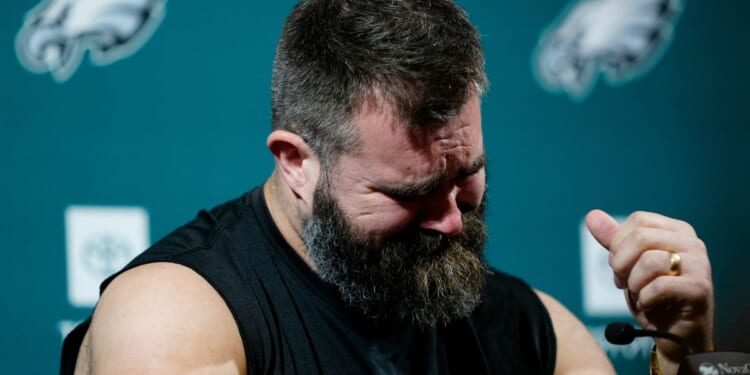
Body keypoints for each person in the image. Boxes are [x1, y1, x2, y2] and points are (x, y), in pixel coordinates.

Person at [60, 0, 715, 374]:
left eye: (466, 177)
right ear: (296, 160)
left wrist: (683, 349)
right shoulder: (173, 319)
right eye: (411, 193)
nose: (453, 222)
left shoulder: (523, 328)